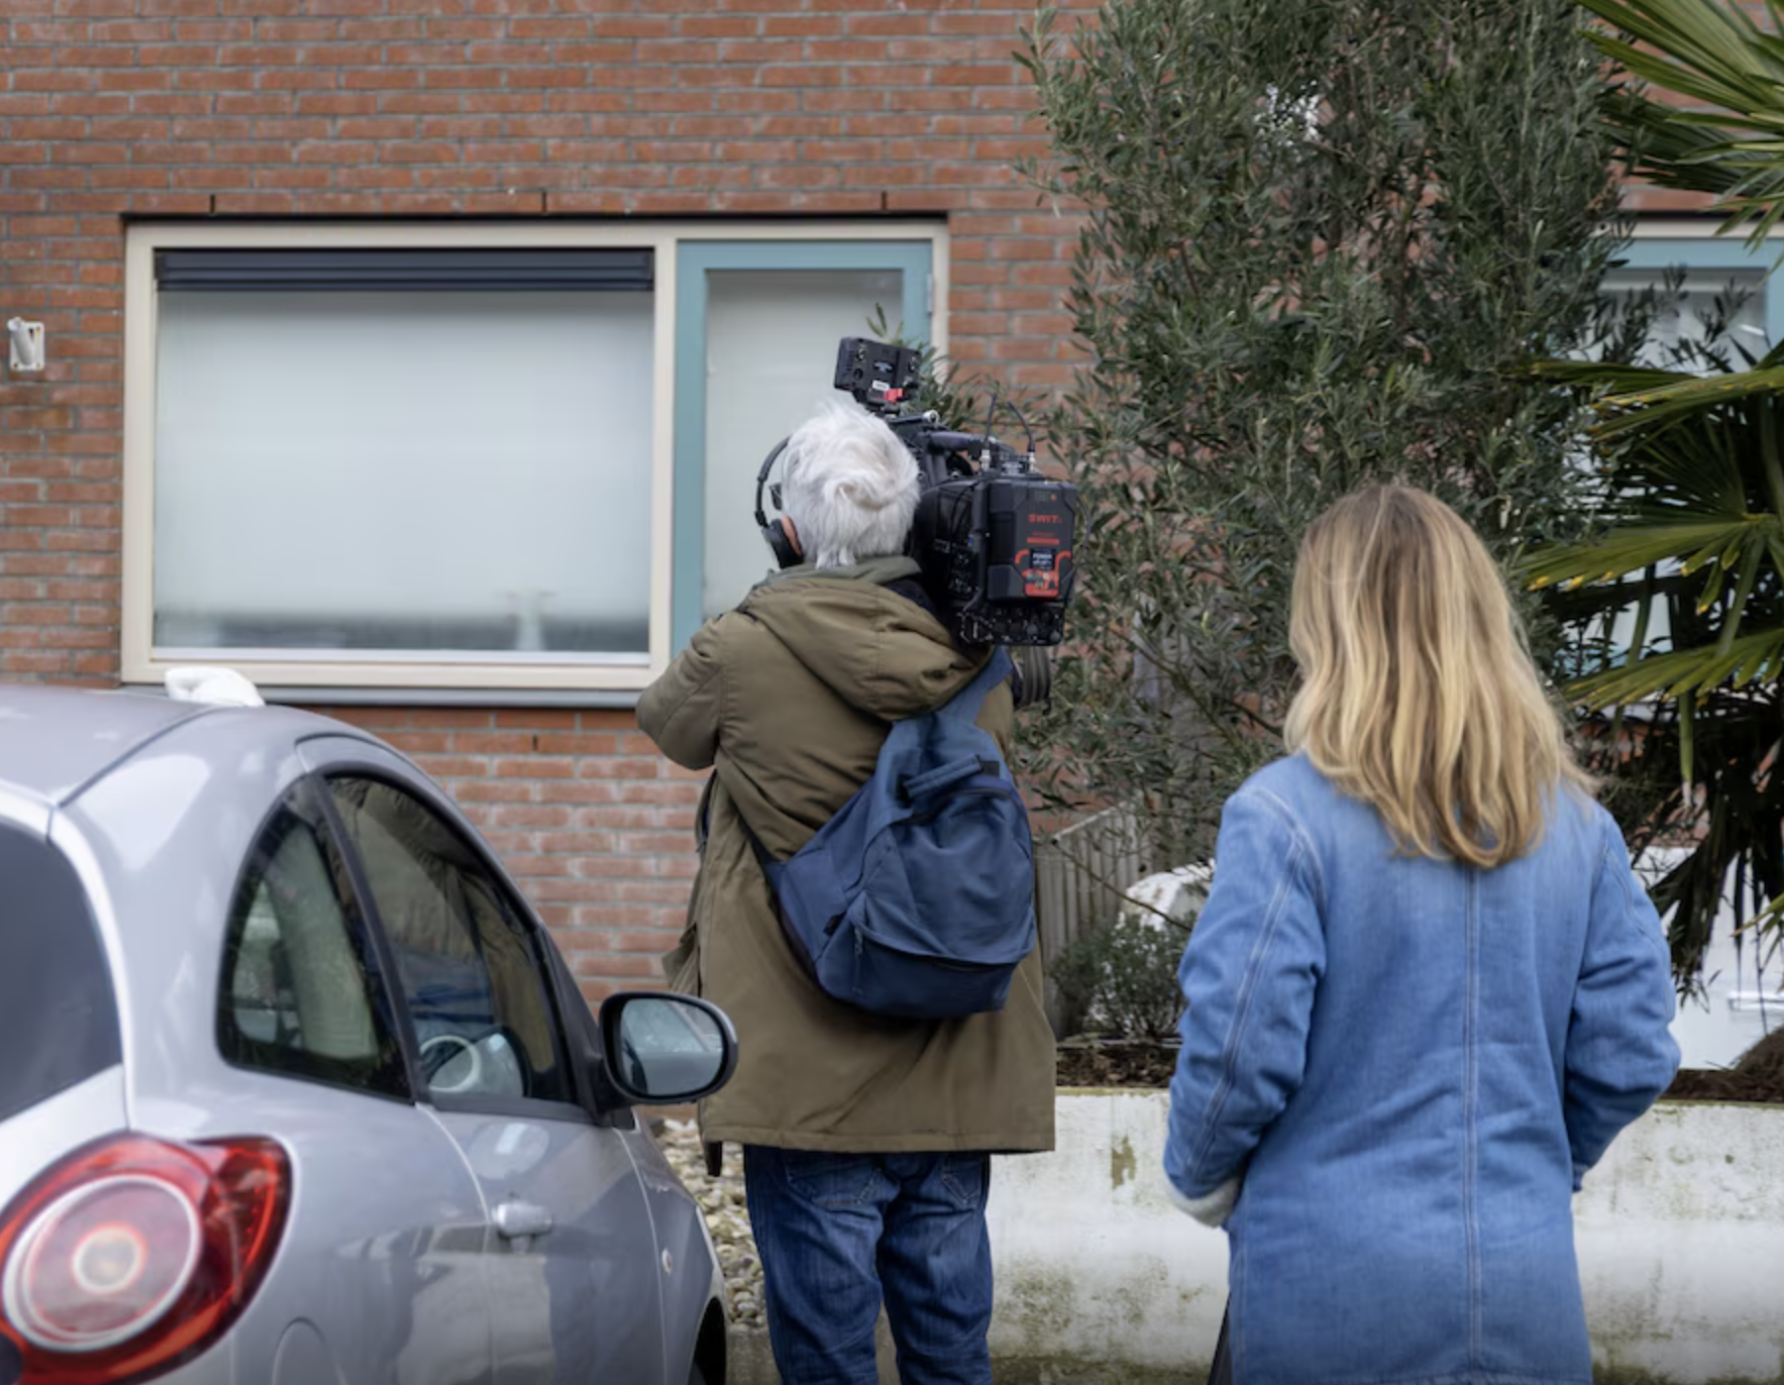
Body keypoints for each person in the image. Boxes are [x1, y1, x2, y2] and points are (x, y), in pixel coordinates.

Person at [1163, 484, 1682, 1384]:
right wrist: (1528, 1164)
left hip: (1326, 1297)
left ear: (1331, 624)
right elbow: (1632, 1048)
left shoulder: (1284, 817)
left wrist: (1199, 1178)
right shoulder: (1576, 826)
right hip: (1526, 1296)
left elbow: (1239, 1047)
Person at [640, 397, 1056, 1385]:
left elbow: (665, 723)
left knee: (826, 1357)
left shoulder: (737, 649)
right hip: (958, 1060)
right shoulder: (976, 654)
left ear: (784, 526)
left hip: (810, 1076)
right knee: (952, 1352)